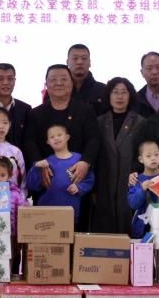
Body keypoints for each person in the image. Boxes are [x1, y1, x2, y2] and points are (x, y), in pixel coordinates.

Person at [25, 65, 102, 209]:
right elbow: (29, 141)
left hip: (78, 181)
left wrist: (86, 162)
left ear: (72, 83)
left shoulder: (85, 110)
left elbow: (94, 139)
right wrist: (39, 164)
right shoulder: (36, 113)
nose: (59, 83)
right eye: (53, 79)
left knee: (78, 220)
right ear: (46, 84)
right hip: (47, 183)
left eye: (64, 79)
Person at [93, 77, 149, 234]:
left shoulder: (140, 122)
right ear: (108, 96)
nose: (119, 96)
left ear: (130, 96)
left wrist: (135, 171)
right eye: (115, 92)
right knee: (104, 223)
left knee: (128, 222)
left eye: (124, 92)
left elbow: (143, 152)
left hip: (130, 179)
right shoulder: (99, 122)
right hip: (104, 180)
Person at [27, 124, 95, 224]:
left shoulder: (79, 160)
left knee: (67, 233)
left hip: (70, 210)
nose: (56, 138)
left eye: (59, 135)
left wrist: (79, 188)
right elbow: (32, 185)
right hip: (46, 211)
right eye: (52, 137)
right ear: (48, 142)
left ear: (67, 137)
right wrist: (36, 167)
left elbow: (90, 179)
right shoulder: (46, 163)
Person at [67, 43, 109, 115]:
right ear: (67, 62)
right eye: (75, 58)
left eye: (84, 58)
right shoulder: (58, 90)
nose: (79, 62)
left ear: (90, 63)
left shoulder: (103, 90)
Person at [132, 51, 159, 118]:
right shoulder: (135, 100)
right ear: (142, 72)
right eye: (149, 68)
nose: (154, 72)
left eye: (158, 67)